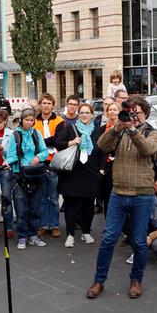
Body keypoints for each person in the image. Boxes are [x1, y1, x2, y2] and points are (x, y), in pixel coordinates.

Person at [87, 97, 157, 300]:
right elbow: (101, 145)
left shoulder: (152, 132)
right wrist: (116, 127)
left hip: (142, 194)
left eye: (135, 111)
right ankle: (99, 280)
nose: (131, 115)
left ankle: (136, 280)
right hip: (118, 192)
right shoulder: (119, 131)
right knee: (108, 239)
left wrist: (132, 129)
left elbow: (147, 149)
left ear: (144, 113)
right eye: (128, 111)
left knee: (139, 241)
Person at [55, 103, 102, 247]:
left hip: (91, 173)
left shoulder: (97, 131)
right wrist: (72, 142)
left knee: (88, 205)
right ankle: (70, 234)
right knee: (71, 205)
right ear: (78, 114)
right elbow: (58, 144)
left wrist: (102, 169)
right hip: (72, 173)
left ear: (92, 115)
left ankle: (86, 232)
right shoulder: (71, 128)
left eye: (87, 113)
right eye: (82, 112)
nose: (84, 115)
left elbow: (102, 150)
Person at [6, 108, 49, 249]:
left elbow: (44, 151)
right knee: (21, 208)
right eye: (27, 120)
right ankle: (23, 236)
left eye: (32, 120)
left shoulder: (36, 134)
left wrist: (37, 158)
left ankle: (33, 235)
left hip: (35, 174)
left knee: (35, 207)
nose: (29, 123)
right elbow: (11, 155)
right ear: (21, 121)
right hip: (20, 175)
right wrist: (9, 162)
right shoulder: (16, 135)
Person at [34, 93, 65, 239]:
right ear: (40, 105)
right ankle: (43, 225)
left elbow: (57, 140)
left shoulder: (59, 121)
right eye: (44, 103)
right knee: (42, 196)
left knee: (53, 196)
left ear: (53, 105)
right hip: (39, 162)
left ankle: (54, 225)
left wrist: (41, 141)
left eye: (49, 103)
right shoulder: (34, 121)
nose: (46, 106)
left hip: (53, 162)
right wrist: (46, 141)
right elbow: (32, 139)